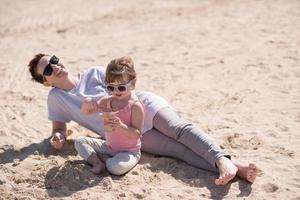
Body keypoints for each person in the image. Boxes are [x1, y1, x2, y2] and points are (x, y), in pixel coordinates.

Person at [27, 53, 257, 185]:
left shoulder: (95, 73)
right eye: (47, 70)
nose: (54, 67)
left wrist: (98, 105)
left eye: (53, 60)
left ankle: (221, 158)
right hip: (126, 134)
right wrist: (57, 137)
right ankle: (235, 167)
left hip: (141, 106)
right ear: (46, 82)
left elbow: (122, 89)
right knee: (177, 151)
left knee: (179, 129)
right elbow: (59, 127)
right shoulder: (56, 98)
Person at [75, 56, 145, 175]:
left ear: (133, 83)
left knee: (116, 168)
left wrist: (121, 127)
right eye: (111, 87)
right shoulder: (108, 100)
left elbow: (137, 134)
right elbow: (86, 112)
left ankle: (105, 160)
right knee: (79, 141)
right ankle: (97, 162)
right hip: (109, 146)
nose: (116, 91)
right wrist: (87, 102)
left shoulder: (135, 106)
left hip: (129, 151)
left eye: (121, 87)